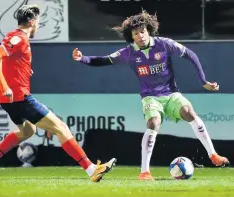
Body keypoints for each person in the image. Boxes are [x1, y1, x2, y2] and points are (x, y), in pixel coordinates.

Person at [72, 10, 229, 181]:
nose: (140, 36)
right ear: (131, 36)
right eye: (135, 33)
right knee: (153, 122)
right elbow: (103, 60)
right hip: (150, 97)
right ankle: (145, 172)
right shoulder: (128, 52)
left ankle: (213, 155)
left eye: (142, 31)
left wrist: (204, 81)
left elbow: (191, 55)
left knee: (189, 112)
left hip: (171, 93)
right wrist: (82, 59)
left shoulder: (165, 44)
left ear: (148, 30)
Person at [0, 4, 116, 183]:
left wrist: (24, 71)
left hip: (8, 100)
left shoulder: (17, 39)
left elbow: (10, 61)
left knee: (27, 131)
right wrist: (5, 85)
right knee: (60, 127)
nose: (39, 26)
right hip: (19, 97)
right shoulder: (19, 38)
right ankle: (91, 170)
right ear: (32, 21)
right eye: (38, 22)